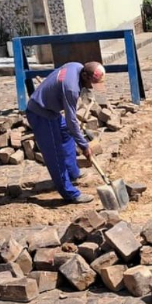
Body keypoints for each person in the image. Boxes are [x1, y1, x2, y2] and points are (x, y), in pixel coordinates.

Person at [26, 61, 106, 204]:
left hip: (52, 111)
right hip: (41, 114)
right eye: (91, 84)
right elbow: (71, 121)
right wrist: (84, 145)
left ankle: (73, 173)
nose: (91, 88)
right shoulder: (71, 89)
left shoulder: (76, 66)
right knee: (55, 155)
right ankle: (70, 193)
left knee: (66, 136)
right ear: (85, 76)